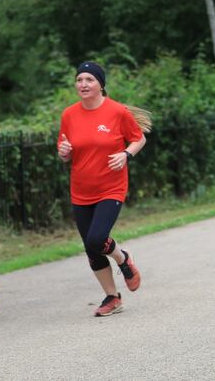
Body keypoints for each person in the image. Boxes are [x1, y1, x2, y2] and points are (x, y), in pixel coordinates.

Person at [58, 61, 150, 317]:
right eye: (79, 80)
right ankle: (112, 297)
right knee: (90, 248)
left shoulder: (117, 112)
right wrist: (64, 152)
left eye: (89, 80)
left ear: (100, 85)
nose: (83, 84)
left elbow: (139, 138)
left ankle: (123, 258)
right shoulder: (69, 115)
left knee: (97, 239)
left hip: (111, 187)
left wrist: (125, 155)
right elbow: (65, 151)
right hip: (81, 189)